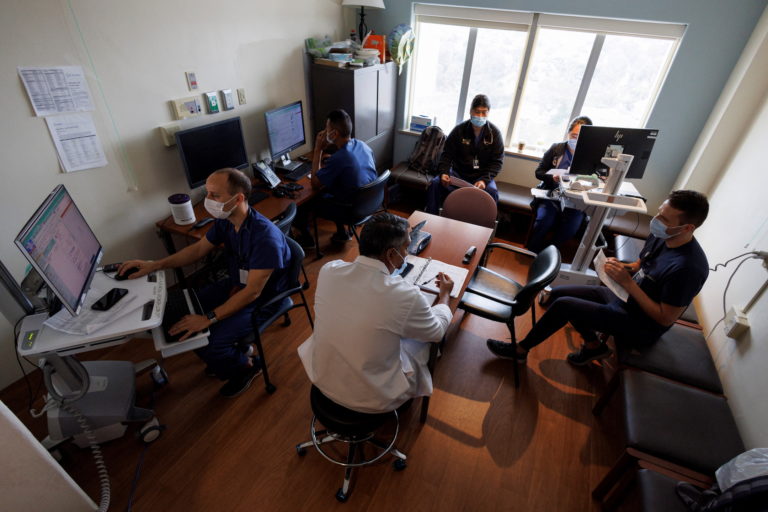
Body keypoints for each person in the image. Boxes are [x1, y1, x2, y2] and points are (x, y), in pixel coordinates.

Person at [119, 168, 292, 397]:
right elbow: (199, 249)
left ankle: (246, 367)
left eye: (214, 195)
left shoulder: (265, 238)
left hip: (264, 298)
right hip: (237, 285)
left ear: (238, 199)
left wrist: (208, 318)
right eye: (207, 193)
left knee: (211, 340)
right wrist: (156, 264)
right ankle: (234, 352)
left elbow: (252, 292)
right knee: (182, 309)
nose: (207, 201)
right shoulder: (227, 220)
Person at [488, 190, 710, 366]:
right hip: (626, 296)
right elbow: (642, 264)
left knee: (565, 306)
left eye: (664, 219)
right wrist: (621, 268)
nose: (657, 220)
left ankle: (520, 350)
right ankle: (594, 346)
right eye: (659, 213)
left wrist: (628, 283)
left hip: (642, 324)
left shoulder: (688, 268)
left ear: (687, 227)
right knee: (558, 294)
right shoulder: (663, 236)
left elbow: (664, 318)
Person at [298, 212, 454, 413]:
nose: (407, 254)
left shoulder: (329, 270)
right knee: (422, 343)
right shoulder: (405, 296)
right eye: (406, 247)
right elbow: (436, 332)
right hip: (371, 399)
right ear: (391, 254)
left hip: (322, 377)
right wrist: (445, 296)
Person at [294, 109, 377, 246]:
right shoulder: (362, 145)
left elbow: (315, 183)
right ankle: (342, 233)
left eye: (327, 129)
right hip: (369, 203)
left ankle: (307, 240)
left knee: (303, 201)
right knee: (337, 186)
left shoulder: (339, 159)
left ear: (334, 134)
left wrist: (318, 150)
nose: (324, 132)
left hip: (352, 210)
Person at [425, 94, 504, 214]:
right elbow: (446, 155)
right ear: (471, 111)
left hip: (481, 177)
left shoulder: (495, 133)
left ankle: (485, 228)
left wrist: (484, 181)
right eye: (477, 112)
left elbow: (497, 162)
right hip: (458, 174)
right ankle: (432, 216)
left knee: (492, 193)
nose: (480, 116)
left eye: (484, 112)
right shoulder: (459, 130)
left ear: (488, 113)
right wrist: (444, 172)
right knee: (435, 183)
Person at [526, 116, 593, 254]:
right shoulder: (556, 149)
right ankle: (532, 251)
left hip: (575, 201)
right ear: (568, 133)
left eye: (581, 137)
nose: (576, 139)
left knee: (571, 227)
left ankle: (550, 252)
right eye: (574, 135)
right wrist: (553, 178)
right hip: (552, 195)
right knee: (544, 220)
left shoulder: (590, 156)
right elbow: (539, 172)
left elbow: (595, 179)